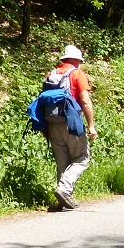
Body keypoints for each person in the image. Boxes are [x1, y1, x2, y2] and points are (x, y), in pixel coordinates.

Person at [44, 45, 97, 210]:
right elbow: (85, 101)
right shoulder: (77, 74)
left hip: (52, 123)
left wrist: (46, 128)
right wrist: (91, 126)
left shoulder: (50, 74)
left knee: (62, 162)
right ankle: (64, 189)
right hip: (71, 122)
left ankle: (65, 199)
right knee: (82, 158)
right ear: (76, 60)